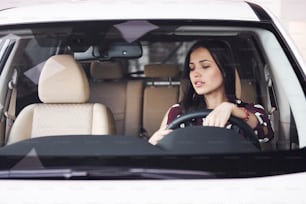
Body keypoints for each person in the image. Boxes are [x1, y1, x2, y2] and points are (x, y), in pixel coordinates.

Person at [149, 40, 274, 145]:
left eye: (205, 66)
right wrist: (152, 145)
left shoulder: (252, 110)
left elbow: (266, 132)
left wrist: (231, 109)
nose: (195, 74)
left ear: (224, 71)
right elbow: (161, 149)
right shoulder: (177, 112)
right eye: (191, 68)